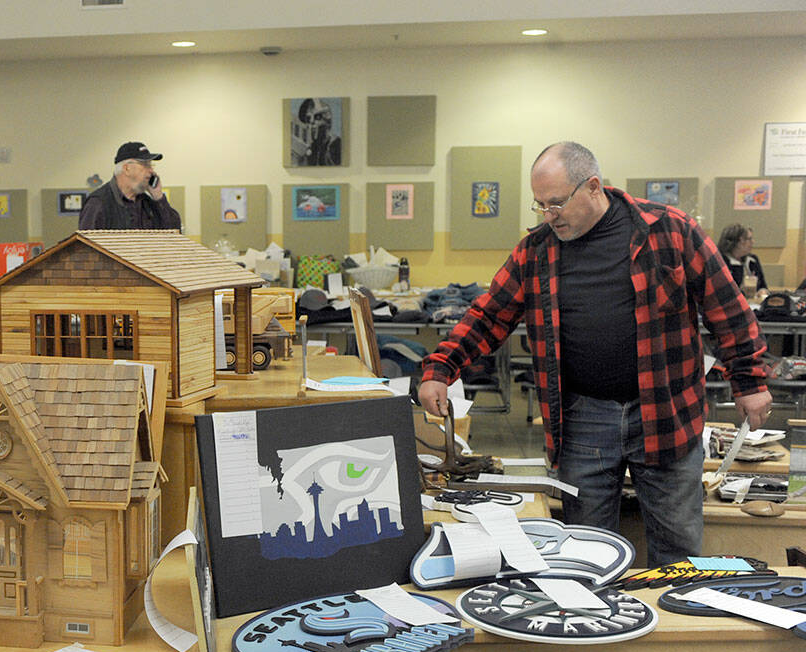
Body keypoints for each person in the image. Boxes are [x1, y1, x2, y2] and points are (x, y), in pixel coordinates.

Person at [416, 141, 771, 568]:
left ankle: (675, 625)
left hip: (666, 411)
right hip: (583, 419)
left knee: (678, 547)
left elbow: (726, 309)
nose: (549, 216)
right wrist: (441, 368)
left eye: (556, 204)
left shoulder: (669, 230)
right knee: (585, 551)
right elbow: (489, 315)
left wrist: (749, 382)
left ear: (594, 187)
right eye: (540, 206)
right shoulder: (536, 251)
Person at [78, 141, 181, 230]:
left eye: (151, 165)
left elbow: (175, 233)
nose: (151, 171)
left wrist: (159, 198)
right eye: (145, 165)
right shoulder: (98, 203)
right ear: (127, 168)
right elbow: (86, 248)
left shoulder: (148, 203)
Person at [717, 223, 768, 298]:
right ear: (738, 242)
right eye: (749, 239)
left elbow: (763, 286)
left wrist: (763, 291)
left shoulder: (753, 260)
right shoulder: (720, 262)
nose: (753, 241)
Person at [294, 98, 342, 166]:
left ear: (327, 121)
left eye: (317, 117)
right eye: (308, 119)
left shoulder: (336, 145)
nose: (311, 122)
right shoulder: (311, 151)